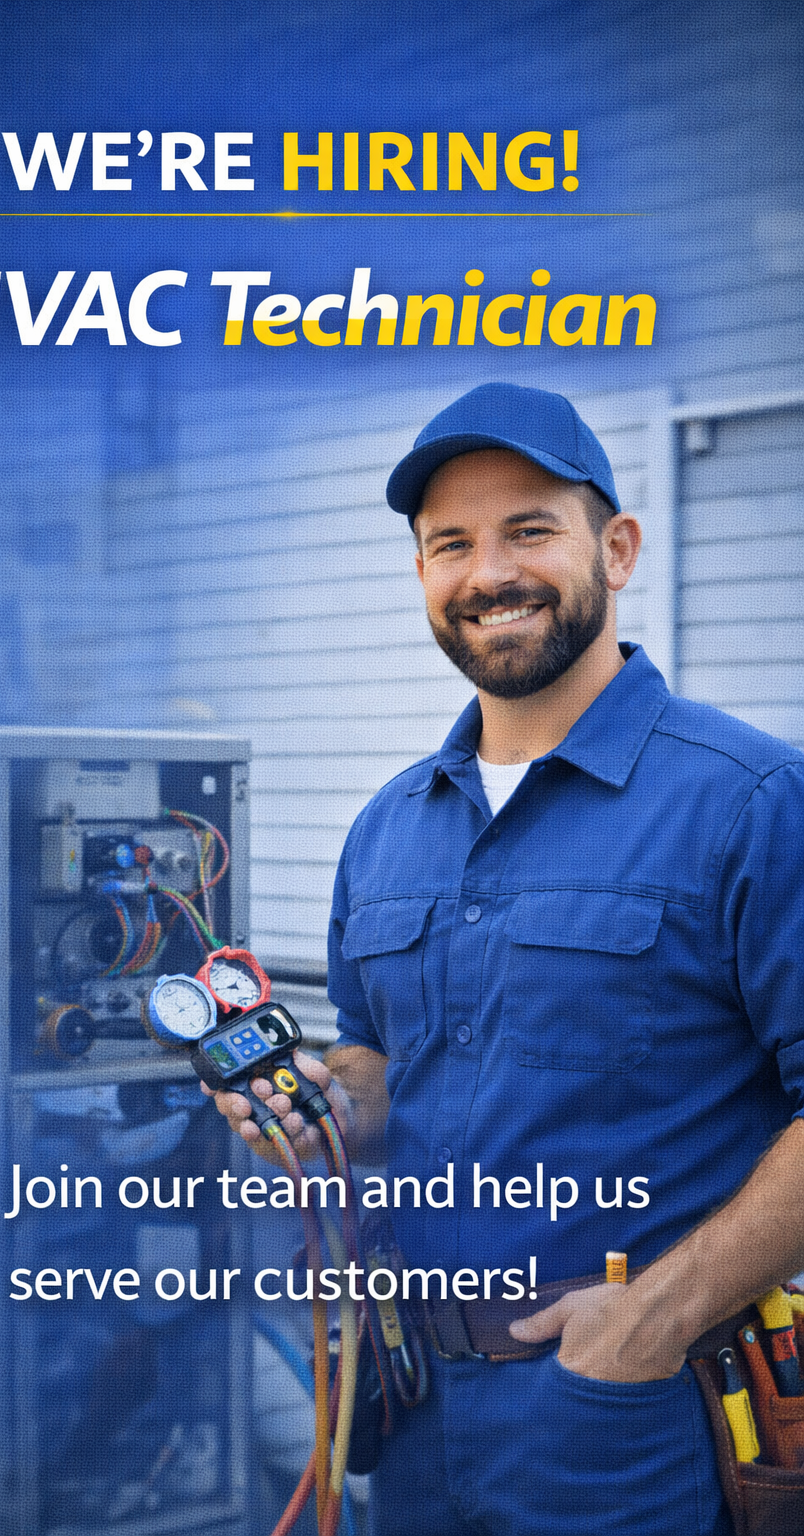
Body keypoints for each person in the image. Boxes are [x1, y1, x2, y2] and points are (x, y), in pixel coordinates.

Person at [205, 383, 804, 1535]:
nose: (490, 571)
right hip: (410, 1408)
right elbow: (386, 1066)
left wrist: (653, 1319)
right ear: (424, 577)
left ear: (614, 549)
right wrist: (325, 1110)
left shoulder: (753, 803)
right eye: (451, 544)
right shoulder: (387, 828)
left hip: (629, 1422)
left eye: (530, 528)